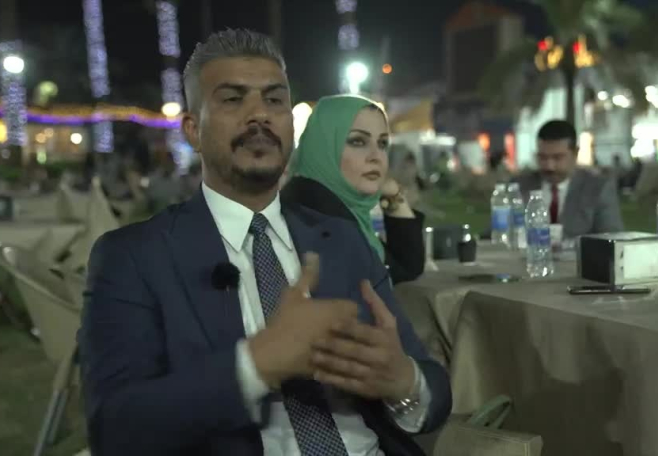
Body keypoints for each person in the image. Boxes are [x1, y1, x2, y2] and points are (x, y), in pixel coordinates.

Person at [78, 30, 450, 456]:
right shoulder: (134, 257)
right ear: (193, 130)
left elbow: (434, 389)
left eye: (275, 100)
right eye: (233, 99)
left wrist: (404, 382)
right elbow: (115, 429)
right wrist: (256, 366)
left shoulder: (340, 239)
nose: (260, 114)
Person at [282, 95, 425, 285]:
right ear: (324, 147)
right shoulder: (315, 217)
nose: (376, 156)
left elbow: (405, 267)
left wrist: (394, 197)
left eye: (382, 143)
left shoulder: (339, 208)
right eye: (358, 141)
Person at [513, 120, 623, 238]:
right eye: (543, 157)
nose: (549, 166)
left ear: (575, 153)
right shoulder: (520, 186)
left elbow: (612, 238)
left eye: (557, 158)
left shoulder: (598, 188)